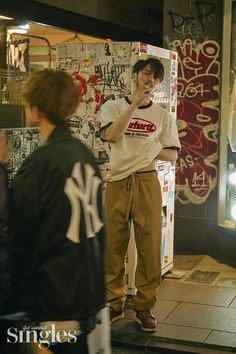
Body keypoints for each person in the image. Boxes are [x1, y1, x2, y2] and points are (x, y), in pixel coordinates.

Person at [0, 70, 110, 354]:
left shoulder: (39, 164)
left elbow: (17, 239)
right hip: (88, 298)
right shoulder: (85, 155)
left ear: (36, 110)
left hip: (53, 304)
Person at [100, 58, 181, 332]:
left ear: (159, 83)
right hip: (118, 181)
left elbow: (172, 153)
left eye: (156, 77)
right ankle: (113, 303)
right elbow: (111, 136)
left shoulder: (162, 115)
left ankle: (144, 307)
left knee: (149, 246)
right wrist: (134, 105)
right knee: (113, 245)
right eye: (146, 73)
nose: (150, 80)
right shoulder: (112, 106)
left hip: (147, 181)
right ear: (135, 75)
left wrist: (149, 150)